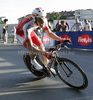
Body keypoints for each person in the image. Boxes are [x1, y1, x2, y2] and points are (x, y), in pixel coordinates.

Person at [16, 7, 62, 76]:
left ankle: (47, 68)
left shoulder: (44, 20)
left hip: (30, 31)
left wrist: (60, 39)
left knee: (42, 47)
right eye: (40, 20)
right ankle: (33, 61)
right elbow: (30, 47)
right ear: (35, 19)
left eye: (43, 19)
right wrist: (45, 53)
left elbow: (49, 33)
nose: (42, 22)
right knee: (35, 48)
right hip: (21, 34)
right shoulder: (27, 25)